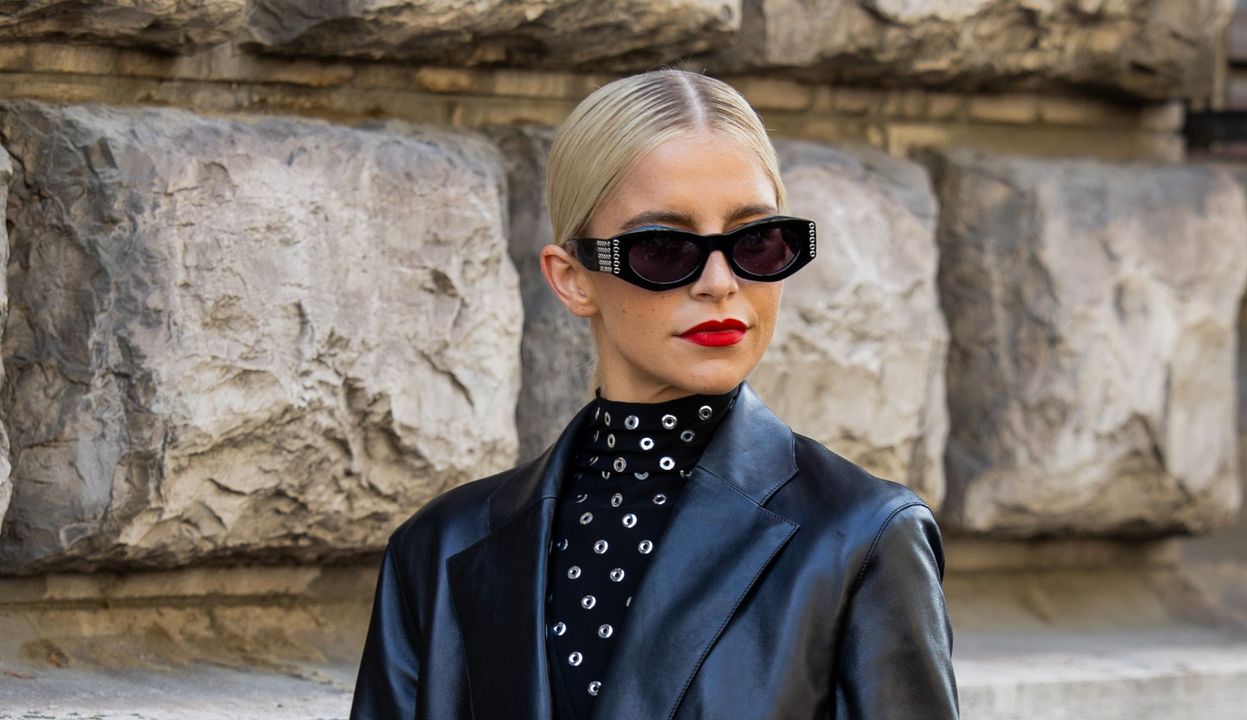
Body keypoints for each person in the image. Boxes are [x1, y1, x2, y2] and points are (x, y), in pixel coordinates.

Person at [350, 67, 959, 720]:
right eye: (665, 249)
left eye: (756, 241)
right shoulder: (439, 549)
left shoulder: (863, 537)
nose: (720, 282)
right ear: (573, 278)